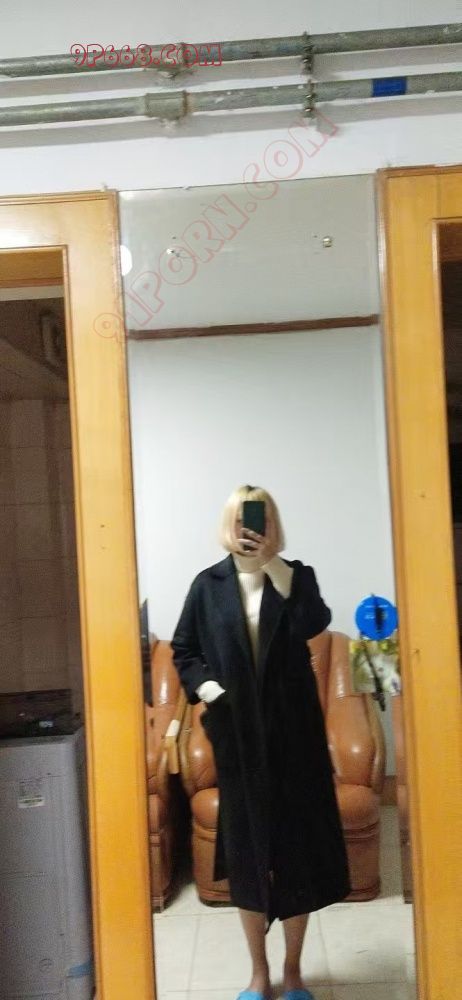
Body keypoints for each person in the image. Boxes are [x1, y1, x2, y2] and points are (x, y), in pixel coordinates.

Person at [171, 484, 352, 1000]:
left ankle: (293, 972)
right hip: (238, 737)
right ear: (229, 524)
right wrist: (210, 690)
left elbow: (314, 622)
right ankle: (258, 973)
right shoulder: (207, 585)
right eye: (243, 519)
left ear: (273, 524)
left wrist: (274, 564)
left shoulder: (295, 576)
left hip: (294, 737)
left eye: (261, 518)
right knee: (248, 859)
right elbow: (185, 649)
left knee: (295, 856)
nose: (250, 527)